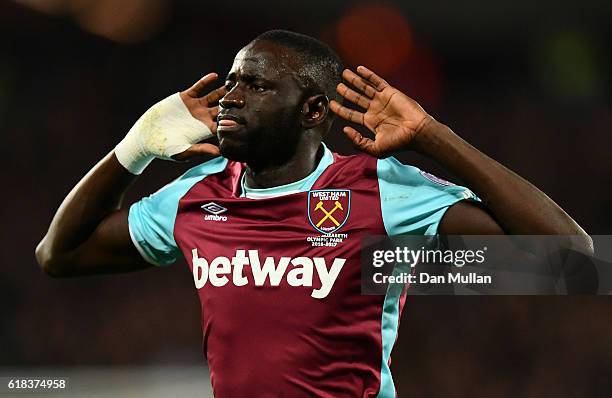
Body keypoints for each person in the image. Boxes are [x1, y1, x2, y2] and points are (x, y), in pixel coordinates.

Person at [35, 30, 591, 397]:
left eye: (255, 84)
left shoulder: (378, 190)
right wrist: (134, 149)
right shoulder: (196, 196)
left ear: (313, 109)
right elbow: (60, 255)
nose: (230, 96)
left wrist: (432, 137)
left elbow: (571, 260)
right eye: (231, 81)